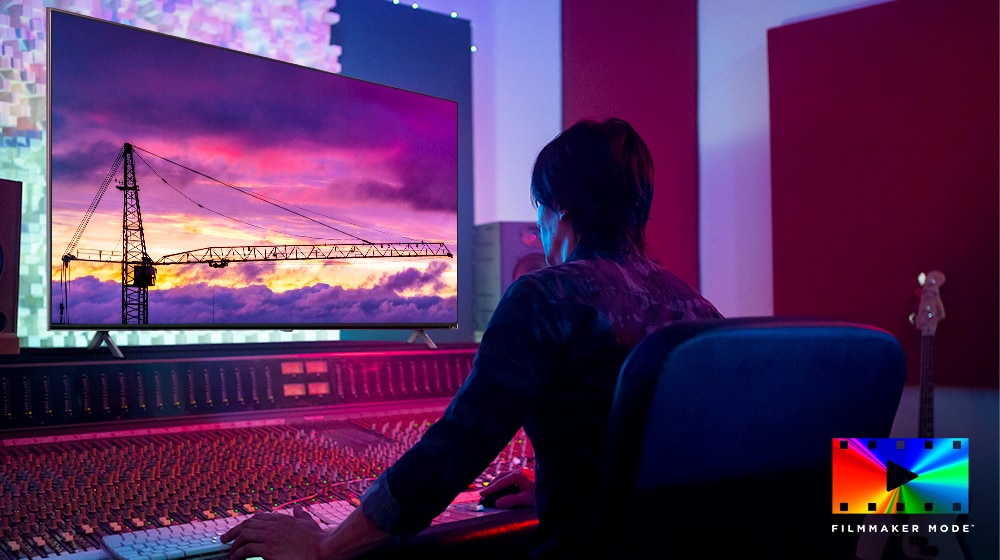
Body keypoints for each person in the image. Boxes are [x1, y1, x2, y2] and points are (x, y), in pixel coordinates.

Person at [222, 117, 722, 560]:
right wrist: (562, 481)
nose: (540, 228)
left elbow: (459, 444)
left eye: (540, 210)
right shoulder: (696, 307)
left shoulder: (545, 297)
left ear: (560, 209)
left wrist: (328, 545)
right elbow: (665, 451)